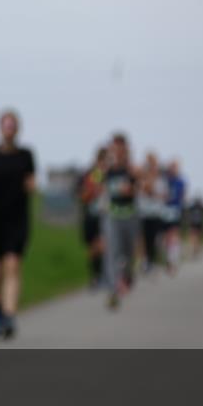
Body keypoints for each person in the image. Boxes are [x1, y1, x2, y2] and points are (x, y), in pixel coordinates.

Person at [0, 110, 36, 339]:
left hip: (17, 218)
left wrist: (32, 185)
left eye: (12, 125)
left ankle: (9, 315)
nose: (9, 129)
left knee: (13, 265)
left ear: (17, 129)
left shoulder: (26, 155)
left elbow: (31, 180)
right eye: (5, 125)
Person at [102, 133, 137, 310]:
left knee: (128, 253)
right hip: (112, 216)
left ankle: (127, 274)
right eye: (113, 147)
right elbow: (93, 183)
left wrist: (131, 189)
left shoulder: (131, 169)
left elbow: (141, 186)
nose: (116, 151)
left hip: (130, 216)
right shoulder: (106, 169)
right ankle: (113, 291)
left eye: (119, 147)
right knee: (112, 253)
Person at [77, 148, 108, 288]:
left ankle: (102, 275)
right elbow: (83, 194)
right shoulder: (93, 173)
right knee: (93, 248)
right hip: (91, 214)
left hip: (105, 216)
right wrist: (93, 190)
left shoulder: (109, 173)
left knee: (102, 245)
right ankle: (95, 276)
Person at [137, 152, 168, 274]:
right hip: (144, 213)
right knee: (143, 239)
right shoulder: (141, 178)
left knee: (154, 239)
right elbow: (146, 190)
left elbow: (164, 195)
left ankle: (151, 261)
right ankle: (144, 261)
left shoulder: (161, 180)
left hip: (156, 213)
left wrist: (155, 193)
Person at [162, 160, 187, 274]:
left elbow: (182, 196)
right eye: (171, 167)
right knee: (167, 237)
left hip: (175, 210)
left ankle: (173, 260)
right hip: (165, 210)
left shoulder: (180, 181)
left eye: (175, 168)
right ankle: (168, 259)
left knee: (173, 235)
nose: (173, 170)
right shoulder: (165, 180)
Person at [186, 195, 203, 259]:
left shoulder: (194, 207)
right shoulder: (201, 207)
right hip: (196, 224)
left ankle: (195, 249)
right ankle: (195, 249)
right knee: (196, 238)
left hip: (197, 224)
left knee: (195, 238)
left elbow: (188, 213)